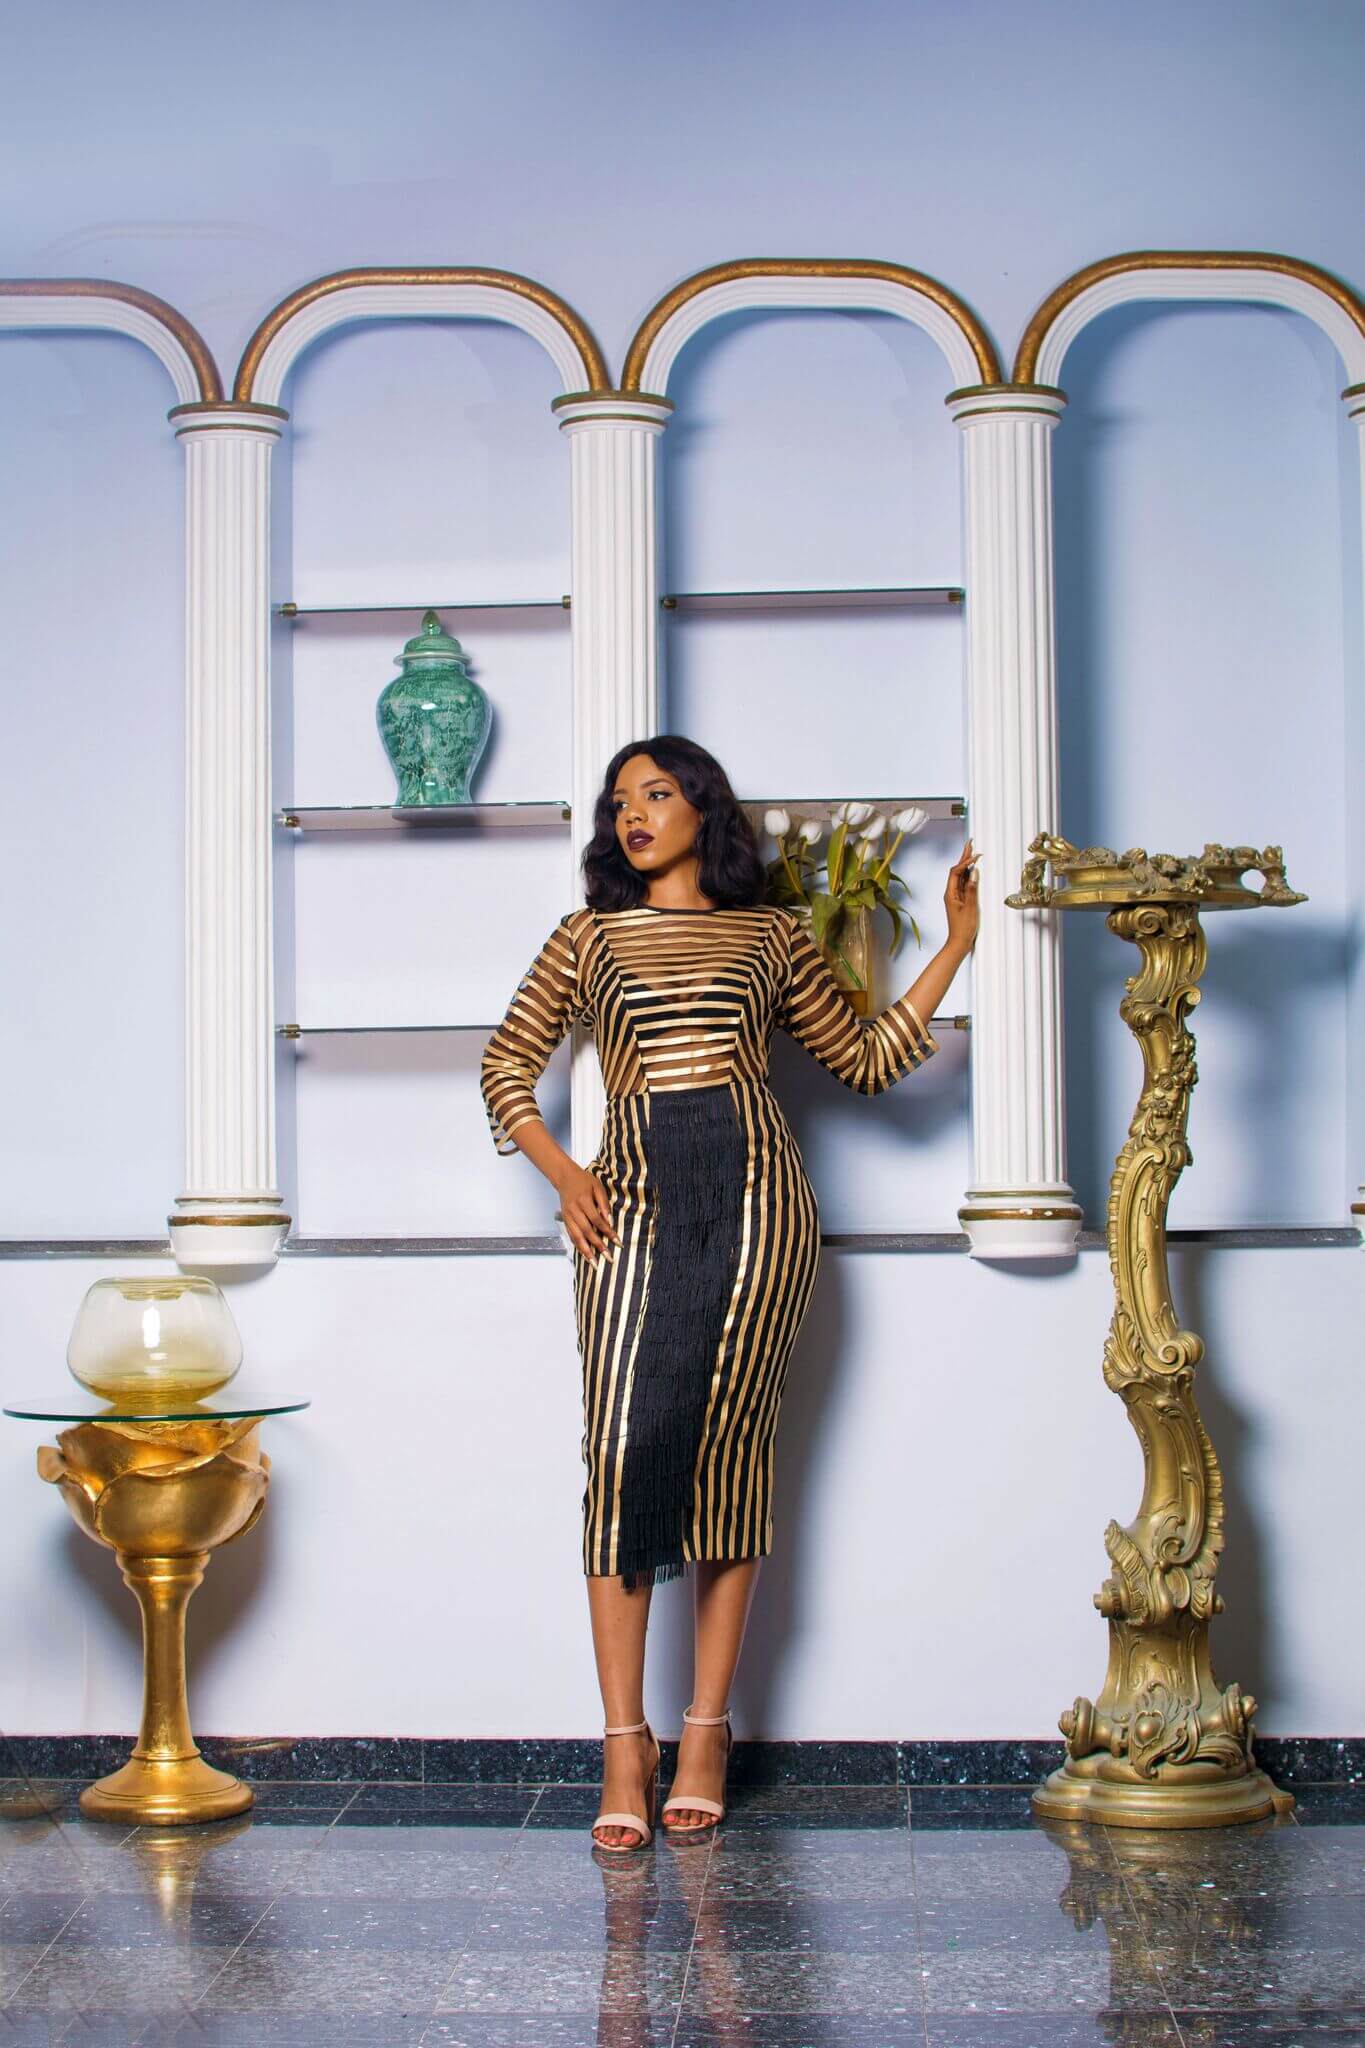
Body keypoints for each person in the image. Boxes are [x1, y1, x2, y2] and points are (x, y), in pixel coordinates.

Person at [480, 735, 980, 1851]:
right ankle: (624, 1740)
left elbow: (866, 1060)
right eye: (619, 800)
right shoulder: (585, 936)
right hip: (629, 1207)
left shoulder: (773, 935)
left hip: (759, 1208)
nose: (632, 814)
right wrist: (565, 1176)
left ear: (704, 810)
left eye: (656, 793)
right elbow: (504, 1064)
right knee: (623, 1459)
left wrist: (955, 944)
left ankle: (705, 1729)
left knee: (729, 1462)